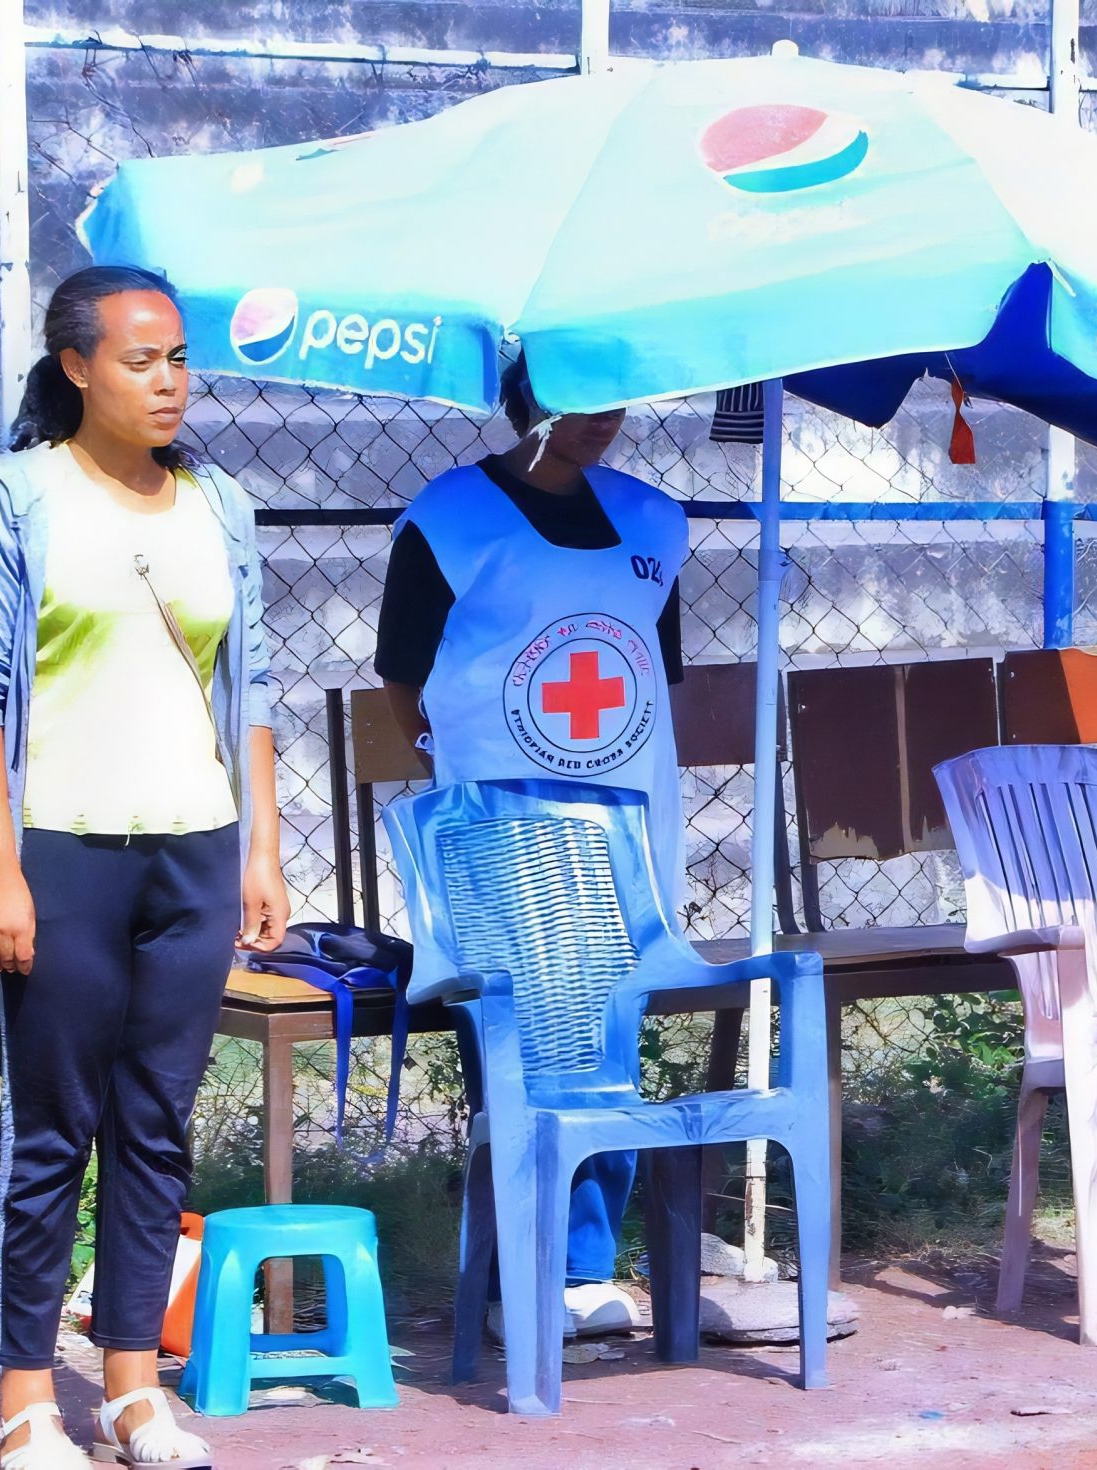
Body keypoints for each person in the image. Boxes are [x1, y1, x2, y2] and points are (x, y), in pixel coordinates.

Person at [0, 265, 288, 1468]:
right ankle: (27, 1397)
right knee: (52, 1129)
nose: (170, 382)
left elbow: (252, 690)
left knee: (158, 1122)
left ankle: (133, 1389)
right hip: (56, 855)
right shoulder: (12, 499)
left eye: (180, 358)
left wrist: (260, 850)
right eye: (141, 360)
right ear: (78, 367)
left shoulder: (218, 504)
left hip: (192, 853)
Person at [374, 372, 687, 1338]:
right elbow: (400, 673)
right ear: (526, 402)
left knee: (609, 1046)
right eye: (579, 398)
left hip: (628, 831)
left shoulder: (656, 522)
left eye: (615, 399)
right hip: (497, 832)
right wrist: (450, 762)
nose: (601, 419)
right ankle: (522, 1276)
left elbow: (656, 670)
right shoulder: (452, 516)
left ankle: (587, 1268)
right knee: (518, 1045)